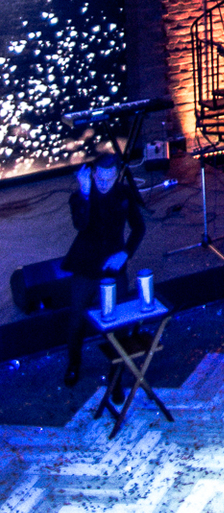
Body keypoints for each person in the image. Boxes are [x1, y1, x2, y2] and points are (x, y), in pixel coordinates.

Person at [63, 155, 145, 387]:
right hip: (85, 266)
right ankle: (74, 364)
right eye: (100, 178)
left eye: (109, 179)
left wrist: (125, 253)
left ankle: (115, 373)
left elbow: (139, 227)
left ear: (116, 176)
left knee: (117, 321)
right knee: (76, 321)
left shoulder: (124, 194)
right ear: (93, 174)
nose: (104, 184)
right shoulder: (81, 196)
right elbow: (80, 224)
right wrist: (85, 193)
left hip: (112, 268)